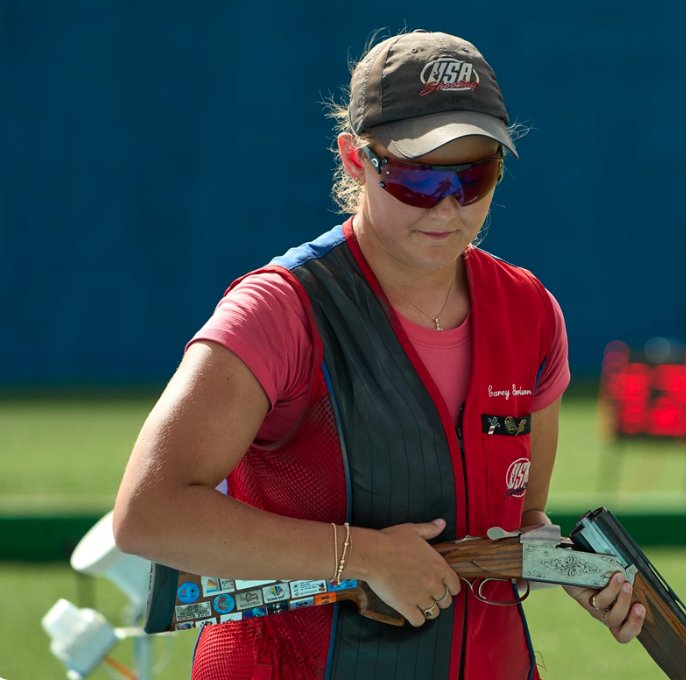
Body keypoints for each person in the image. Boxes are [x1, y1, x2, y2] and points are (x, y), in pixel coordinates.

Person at [113, 29, 644, 679]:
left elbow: (522, 520)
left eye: (474, 174)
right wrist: (360, 556)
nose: (448, 203)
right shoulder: (278, 308)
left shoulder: (530, 311)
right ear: (355, 160)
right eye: (418, 176)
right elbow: (149, 513)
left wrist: (570, 569)